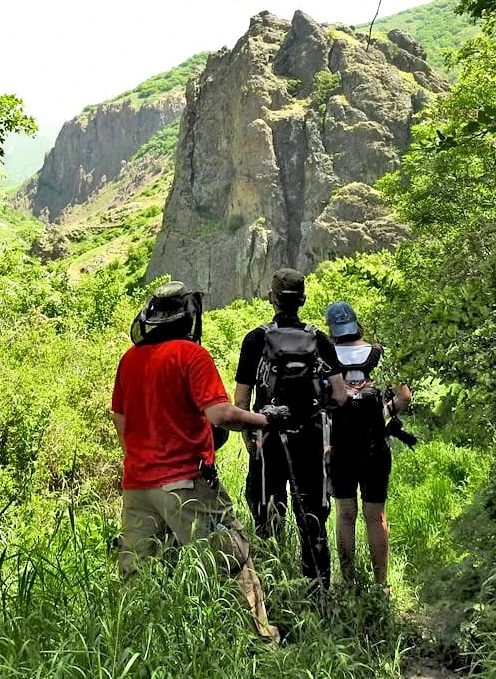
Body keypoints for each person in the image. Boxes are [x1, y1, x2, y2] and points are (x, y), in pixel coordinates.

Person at [112, 280, 287, 642]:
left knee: (138, 575)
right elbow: (220, 414)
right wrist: (265, 419)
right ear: (187, 317)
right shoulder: (191, 355)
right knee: (231, 559)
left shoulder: (130, 360)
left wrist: (142, 457)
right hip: (186, 482)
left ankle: (140, 646)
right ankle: (260, 639)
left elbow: (121, 420)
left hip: (137, 486)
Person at [234, 268, 347, 588]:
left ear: (271, 298)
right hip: (310, 440)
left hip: (267, 439)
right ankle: (318, 594)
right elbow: (340, 396)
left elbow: (240, 401)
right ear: (303, 300)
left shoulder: (255, 339)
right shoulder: (319, 339)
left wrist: (250, 439)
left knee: (268, 519)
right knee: (312, 521)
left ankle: (273, 591)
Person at [323, 300, 416, 589]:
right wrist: (382, 414)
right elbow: (404, 396)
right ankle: (381, 585)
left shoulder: (326, 357)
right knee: (376, 516)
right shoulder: (379, 354)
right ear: (357, 326)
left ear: (332, 330)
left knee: (345, 514)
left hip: (340, 447)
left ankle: (349, 583)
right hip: (375, 446)